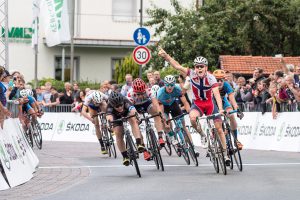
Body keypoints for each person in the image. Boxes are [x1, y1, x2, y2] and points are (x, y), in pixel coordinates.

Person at [158, 47, 230, 166]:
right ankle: (202, 135)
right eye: (197, 66)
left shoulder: (211, 78)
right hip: (197, 104)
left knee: (219, 129)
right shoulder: (191, 73)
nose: (199, 68)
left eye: (202, 66)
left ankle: (225, 154)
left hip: (210, 104)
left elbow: (217, 94)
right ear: (195, 68)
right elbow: (177, 66)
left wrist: (221, 109)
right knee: (192, 119)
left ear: (206, 67)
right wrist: (166, 56)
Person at [106, 92, 146, 166]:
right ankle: (125, 156)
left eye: (121, 105)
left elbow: (133, 110)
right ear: (113, 105)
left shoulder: (125, 100)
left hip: (127, 113)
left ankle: (138, 143)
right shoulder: (109, 106)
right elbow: (109, 117)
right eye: (117, 106)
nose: (120, 107)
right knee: (118, 133)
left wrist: (137, 116)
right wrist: (110, 124)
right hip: (116, 117)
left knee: (133, 120)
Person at [127, 78, 165, 152]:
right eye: (138, 94)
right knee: (135, 123)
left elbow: (156, 104)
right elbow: (131, 110)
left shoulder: (149, 91)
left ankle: (160, 137)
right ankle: (143, 148)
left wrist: (160, 113)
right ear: (134, 91)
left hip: (146, 103)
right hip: (135, 107)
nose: (141, 96)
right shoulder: (130, 94)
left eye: (142, 93)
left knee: (157, 114)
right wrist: (137, 117)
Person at [156, 75, 193, 148]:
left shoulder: (178, 88)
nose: (170, 87)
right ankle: (171, 136)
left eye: (172, 85)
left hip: (173, 104)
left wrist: (189, 111)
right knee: (166, 124)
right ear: (164, 84)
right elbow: (160, 108)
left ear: (174, 84)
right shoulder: (160, 93)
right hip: (164, 106)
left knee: (183, 126)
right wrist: (163, 118)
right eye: (168, 85)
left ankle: (192, 146)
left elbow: (185, 102)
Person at [213, 70, 244, 150]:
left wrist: (237, 108)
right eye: (217, 80)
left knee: (231, 116)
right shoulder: (210, 85)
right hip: (212, 103)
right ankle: (214, 141)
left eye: (221, 80)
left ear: (224, 80)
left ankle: (236, 140)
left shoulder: (226, 84)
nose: (219, 82)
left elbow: (231, 97)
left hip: (223, 102)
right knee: (216, 122)